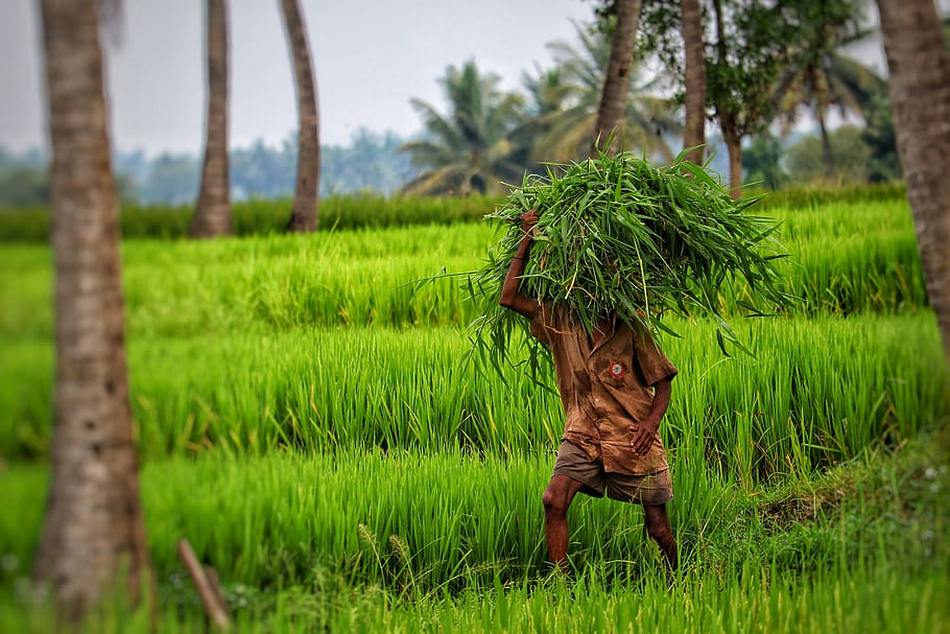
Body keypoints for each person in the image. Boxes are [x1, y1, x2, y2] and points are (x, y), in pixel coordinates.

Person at [499, 209, 678, 572]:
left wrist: (650, 424)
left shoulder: (630, 327)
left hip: (631, 437)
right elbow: (509, 298)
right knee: (553, 500)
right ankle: (564, 588)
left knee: (657, 527)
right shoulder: (560, 320)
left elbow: (663, 382)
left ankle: (679, 577)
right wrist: (528, 238)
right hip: (582, 433)